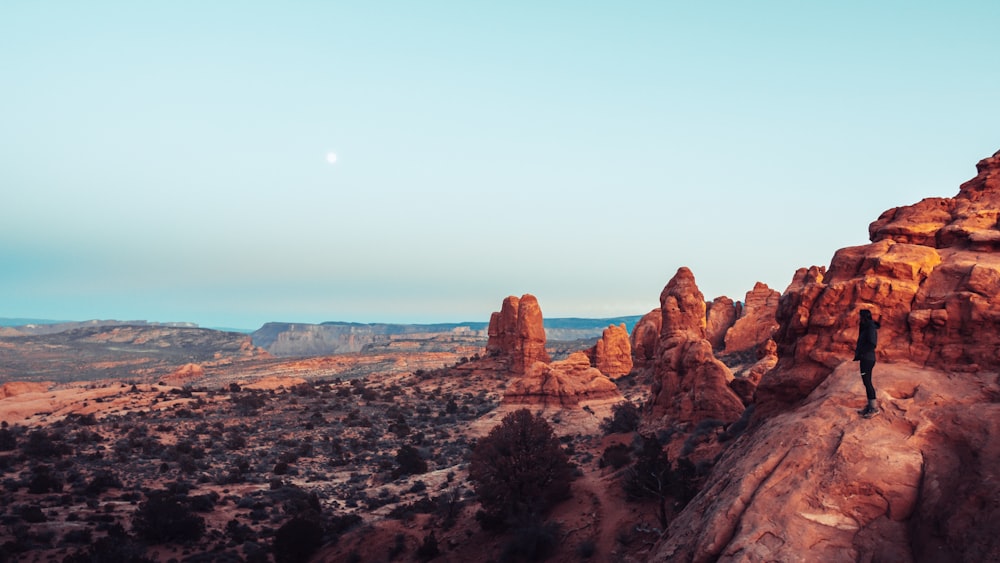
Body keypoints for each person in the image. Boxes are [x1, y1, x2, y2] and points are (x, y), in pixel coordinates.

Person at [853, 309, 880, 418]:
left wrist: (863, 353)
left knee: (867, 382)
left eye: (860, 316)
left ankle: (874, 409)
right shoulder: (866, 327)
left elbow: (872, 344)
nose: (858, 318)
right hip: (865, 359)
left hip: (867, 359)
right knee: (866, 382)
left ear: (864, 317)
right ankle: (870, 406)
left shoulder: (870, 328)